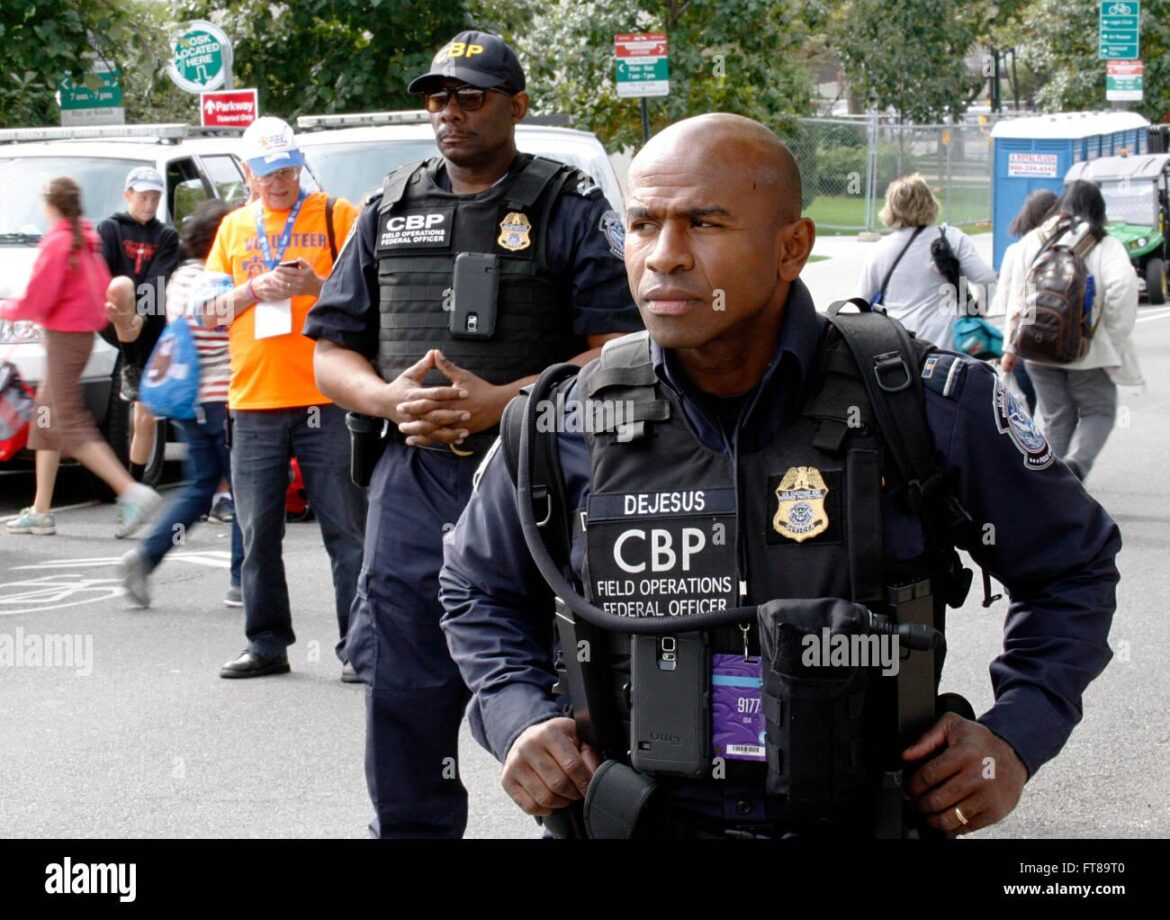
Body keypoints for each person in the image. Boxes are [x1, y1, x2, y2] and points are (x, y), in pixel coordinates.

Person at [437, 114, 1121, 838]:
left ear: (791, 246)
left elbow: (1072, 571)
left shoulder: (924, 404)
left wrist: (1014, 737)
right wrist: (518, 718)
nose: (663, 257)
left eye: (704, 223)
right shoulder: (561, 421)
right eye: (642, 225)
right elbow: (476, 587)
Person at [305, 30, 643, 838]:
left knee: (576, 691)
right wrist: (387, 401)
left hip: (545, 481)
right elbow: (328, 352)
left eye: (471, 97)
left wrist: (503, 403)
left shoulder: (569, 205)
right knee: (406, 696)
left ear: (517, 105)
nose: (449, 114)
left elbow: (618, 355)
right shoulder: (389, 208)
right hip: (415, 480)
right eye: (437, 98)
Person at [196, 116, 367, 680]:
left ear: (301, 165)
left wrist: (315, 287)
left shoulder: (336, 214)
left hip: (329, 395)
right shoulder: (233, 228)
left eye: (288, 169)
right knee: (256, 533)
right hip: (253, 402)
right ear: (248, 173)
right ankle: (267, 645)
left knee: (347, 532)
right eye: (268, 173)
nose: (279, 182)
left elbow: (376, 290)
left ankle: (359, 649)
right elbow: (208, 311)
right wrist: (252, 289)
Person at [3, 177, 162, 537]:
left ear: (50, 205)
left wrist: (9, 311)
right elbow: (97, 293)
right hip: (78, 339)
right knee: (46, 417)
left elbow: (38, 297)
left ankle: (131, 491)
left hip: (63, 341)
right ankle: (41, 509)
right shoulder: (85, 241)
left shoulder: (59, 243)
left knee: (71, 424)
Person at [119, 199, 245, 608]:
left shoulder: (179, 278)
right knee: (248, 492)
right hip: (224, 398)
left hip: (190, 401)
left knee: (200, 487)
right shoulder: (219, 279)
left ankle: (146, 555)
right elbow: (227, 331)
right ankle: (244, 580)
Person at [1001, 180, 1141, 481]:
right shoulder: (1104, 244)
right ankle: (1076, 465)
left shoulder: (1034, 239)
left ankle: (1049, 487)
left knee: (1056, 417)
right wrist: (1106, 335)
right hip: (1085, 353)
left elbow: (1018, 298)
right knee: (1099, 410)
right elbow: (1123, 287)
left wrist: (1010, 348)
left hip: (1037, 349)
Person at [97, 166, 180, 484]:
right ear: (128, 195)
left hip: (149, 322)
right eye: (143, 197)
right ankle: (130, 366)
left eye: (155, 198)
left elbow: (159, 277)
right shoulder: (110, 228)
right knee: (120, 284)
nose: (149, 204)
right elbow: (101, 270)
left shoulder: (166, 236)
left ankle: (134, 485)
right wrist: (122, 313)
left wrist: (140, 317)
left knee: (144, 416)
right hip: (116, 314)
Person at [858, 173, 997, 350]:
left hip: (899, 342)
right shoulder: (952, 239)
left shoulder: (880, 250)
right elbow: (986, 278)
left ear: (891, 208)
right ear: (930, 203)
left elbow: (861, 300)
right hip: (946, 342)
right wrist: (976, 307)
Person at [989, 189, 1059, 415]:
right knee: (1058, 416)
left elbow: (1009, 303)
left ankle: (1030, 450)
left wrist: (1008, 349)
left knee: (1021, 416)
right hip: (1060, 341)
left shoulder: (1016, 250)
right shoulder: (1068, 245)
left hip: (1026, 340)